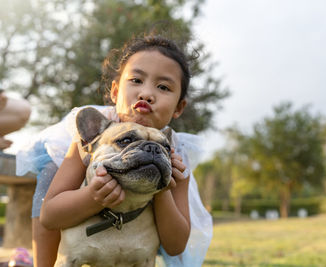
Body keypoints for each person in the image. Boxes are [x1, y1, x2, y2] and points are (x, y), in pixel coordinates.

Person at [16, 34, 212, 267]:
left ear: (179, 107)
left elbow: (175, 245)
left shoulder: (175, 152)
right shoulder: (94, 132)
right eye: (136, 80)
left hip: (139, 236)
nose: (147, 94)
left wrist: (162, 188)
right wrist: (92, 197)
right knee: (50, 171)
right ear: (115, 91)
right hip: (76, 195)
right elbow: (50, 215)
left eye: (163, 87)